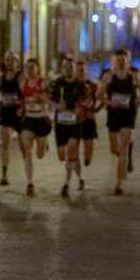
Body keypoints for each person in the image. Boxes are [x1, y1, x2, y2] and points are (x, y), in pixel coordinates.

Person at [96, 49, 140, 195]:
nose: (120, 63)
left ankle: (119, 183)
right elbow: (98, 94)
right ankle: (124, 161)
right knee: (115, 149)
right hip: (114, 114)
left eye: (123, 60)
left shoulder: (134, 76)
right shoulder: (109, 76)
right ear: (114, 61)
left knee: (124, 148)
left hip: (128, 113)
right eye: (118, 60)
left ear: (128, 61)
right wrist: (109, 102)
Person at [45, 57, 92, 198]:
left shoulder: (81, 85)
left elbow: (89, 100)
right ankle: (80, 178)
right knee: (63, 156)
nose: (68, 69)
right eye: (65, 67)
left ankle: (66, 184)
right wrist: (55, 105)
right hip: (60, 124)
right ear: (62, 68)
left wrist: (82, 107)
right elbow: (44, 96)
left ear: (74, 69)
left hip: (75, 124)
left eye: (71, 67)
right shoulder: (56, 83)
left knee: (71, 150)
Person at [17, 57, 52, 196]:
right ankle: (29, 182)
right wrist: (21, 107)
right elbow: (21, 99)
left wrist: (42, 97)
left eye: (32, 67)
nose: (29, 70)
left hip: (41, 120)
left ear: (38, 69)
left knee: (40, 154)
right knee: (27, 150)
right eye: (27, 67)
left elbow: (51, 100)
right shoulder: (22, 84)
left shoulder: (43, 83)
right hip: (29, 120)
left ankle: (44, 143)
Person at [0, 52, 22, 185]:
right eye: (7, 60)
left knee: (23, 146)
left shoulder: (21, 76)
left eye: (12, 60)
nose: (10, 63)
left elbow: (26, 93)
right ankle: (4, 175)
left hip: (19, 113)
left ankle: (28, 176)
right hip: (6, 112)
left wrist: (22, 105)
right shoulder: (2, 76)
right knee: (5, 144)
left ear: (17, 62)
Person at [74, 58, 103, 167]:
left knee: (88, 153)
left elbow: (104, 98)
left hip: (89, 121)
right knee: (73, 149)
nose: (80, 72)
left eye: (82, 70)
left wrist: (97, 110)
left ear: (86, 71)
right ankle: (76, 168)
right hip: (74, 121)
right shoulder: (71, 85)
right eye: (78, 70)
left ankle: (87, 159)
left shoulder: (93, 86)